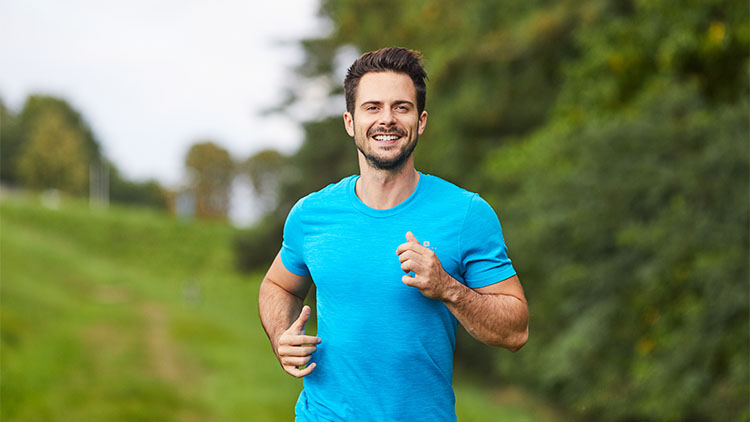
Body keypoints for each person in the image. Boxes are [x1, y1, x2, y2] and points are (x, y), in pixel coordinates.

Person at [258, 47, 528, 422]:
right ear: (350, 121)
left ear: (421, 121)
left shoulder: (467, 213)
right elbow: (278, 285)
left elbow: (515, 331)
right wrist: (280, 339)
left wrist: (447, 287)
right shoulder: (311, 214)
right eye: (373, 107)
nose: (387, 119)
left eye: (401, 107)